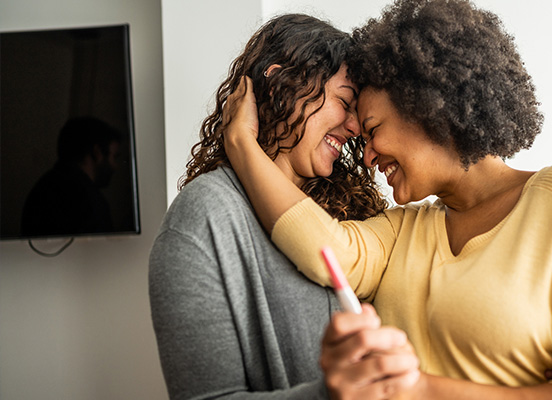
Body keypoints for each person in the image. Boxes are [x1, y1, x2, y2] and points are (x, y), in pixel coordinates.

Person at [223, 0, 552, 399]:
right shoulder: (404, 229)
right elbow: (324, 252)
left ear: (428, 108)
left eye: (372, 129)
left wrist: (419, 388)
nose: (368, 155)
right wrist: (243, 145)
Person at [148, 14, 417, 400]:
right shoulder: (203, 219)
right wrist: (331, 395)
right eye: (344, 102)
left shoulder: (357, 210)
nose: (356, 127)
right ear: (280, 85)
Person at [21, 116, 120, 237]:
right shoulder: (91, 201)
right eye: (114, 157)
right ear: (97, 153)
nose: (115, 166)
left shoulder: (41, 188)